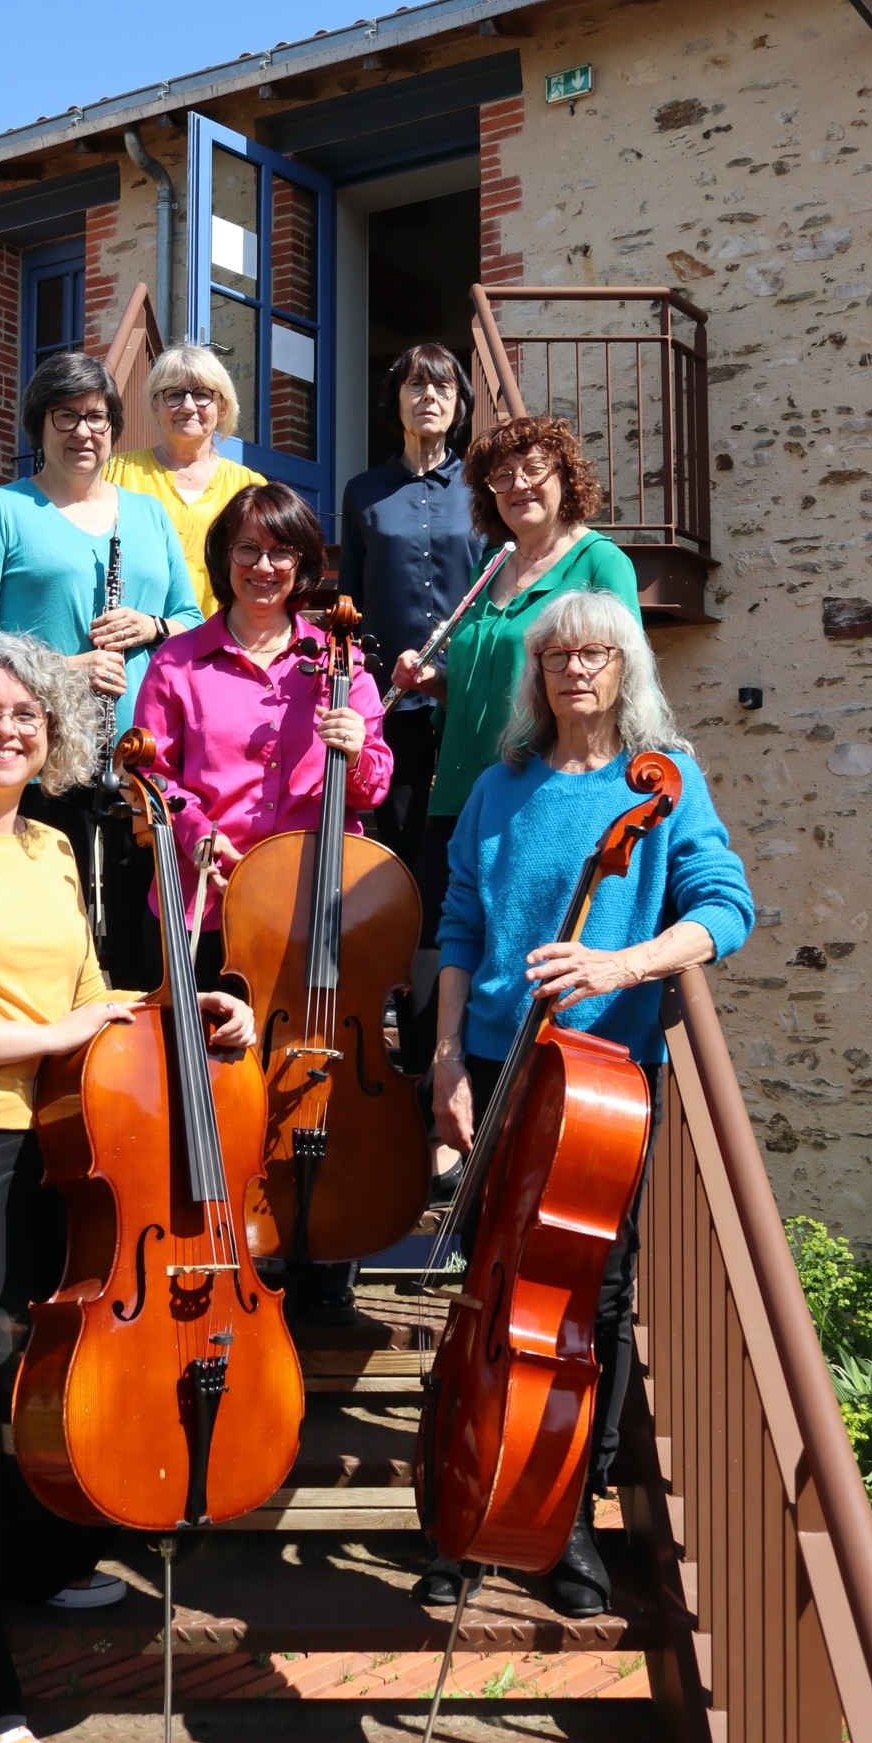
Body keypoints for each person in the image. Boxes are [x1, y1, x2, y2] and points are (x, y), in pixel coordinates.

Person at [0, 634, 255, 1743]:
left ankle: (34, 1560)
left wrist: (189, 1010)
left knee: (23, 1388)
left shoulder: (51, 848)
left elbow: (83, 997)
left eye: (26, 713)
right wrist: (47, 1040)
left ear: (53, 733)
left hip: (37, 1152)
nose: (6, 728)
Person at [418, 589, 753, 1616]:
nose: (575, 669)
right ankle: (458, 1513)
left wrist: (620, 964)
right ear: (538, 674)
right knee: (486, 1289)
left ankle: (566, 1518)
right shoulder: (500, 784)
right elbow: (461, 928)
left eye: (596, 653)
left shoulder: (663, 781)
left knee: (592, 1306)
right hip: (498, 1065)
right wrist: (444, 1061)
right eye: (557, 654)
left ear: (627, 668)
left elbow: (724, 909)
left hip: (601, 1085)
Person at [134, 481, 392, 1323]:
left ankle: (324, 1266)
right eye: (246, 550)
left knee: (313, 1080)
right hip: (211, 915)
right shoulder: (179, 663)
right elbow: (149, 776)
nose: (263, 566)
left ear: (303, 564)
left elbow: (375, 786)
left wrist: (361, 746)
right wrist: (197, 829)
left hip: (315, 915)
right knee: (215, 1094)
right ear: (222, 562)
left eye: (280, 551)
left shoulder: (337, 661)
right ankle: (221, 1260)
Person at [390, 413, 643, 1167]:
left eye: (534, 469)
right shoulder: (491, 568)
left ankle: (509, 1134)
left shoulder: (598, 562)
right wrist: (434, 681)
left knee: (515, 949)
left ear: (566, 479)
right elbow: (490, 679)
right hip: (460, 793)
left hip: (541, 792)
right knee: (444, 954)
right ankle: (450, 1107)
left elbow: (617, 680)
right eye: (499, 476)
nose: (516, 486)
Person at [0, 351, 202, 987]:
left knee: (140, 939)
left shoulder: (148, 515)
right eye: (67, 417)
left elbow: (192, 618)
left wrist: (153, 626)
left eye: (99, 417)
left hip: (141, 762)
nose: (85, 431)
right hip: (41, 757)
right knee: (54, 934)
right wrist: (62, 668)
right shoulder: (2, 509)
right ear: (39, 426)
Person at [337, 343, 481, 1079]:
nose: (429, 396)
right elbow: (351, 610)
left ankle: (442, 1046)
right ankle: (399, 1033)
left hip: (465, 710)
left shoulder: (482, 489)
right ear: (393, 399)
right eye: (415, 384)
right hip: (390, 713)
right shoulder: (363, 492)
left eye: (443, 385)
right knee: (394, 861)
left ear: (459, 404)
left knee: (452, 862)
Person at [107, 340, 264, 616]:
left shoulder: (250, 488)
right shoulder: (114, 473)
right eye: (174, 394)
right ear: (155, 405)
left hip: (221, 649)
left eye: (203, 394)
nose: (188, 406)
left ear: (222, 407)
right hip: (135, 646)